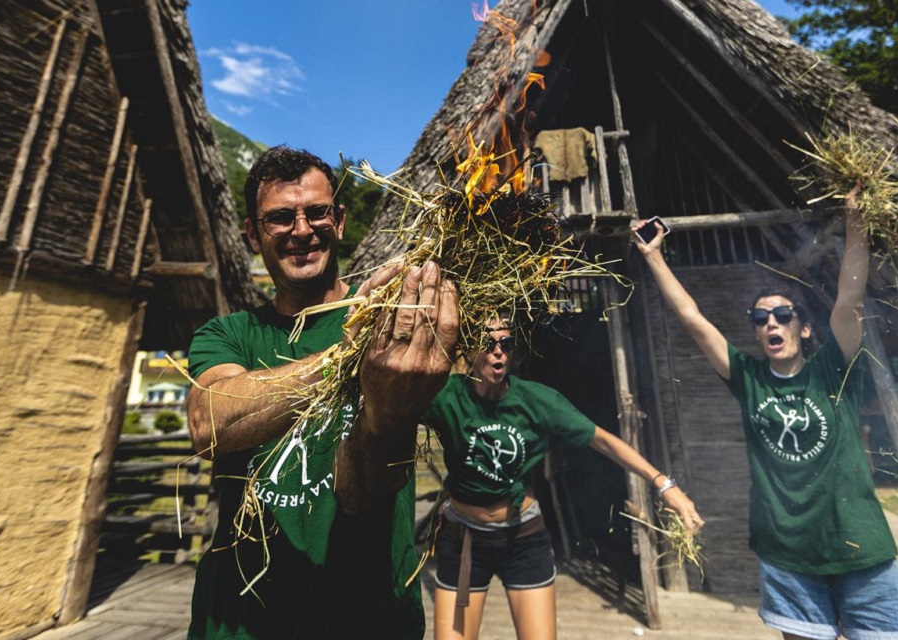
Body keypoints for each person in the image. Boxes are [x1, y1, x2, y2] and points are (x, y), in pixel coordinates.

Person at [185, 146, 459, 639]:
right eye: (280, 218)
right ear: (251, 234)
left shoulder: (395, 326)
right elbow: (209, 424)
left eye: (316, 212)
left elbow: (363, 492)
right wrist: (344, 356)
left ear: (339, 218)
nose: (302, 230)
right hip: (242, 623)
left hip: (367, 618)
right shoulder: (230, 334)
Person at [633, 187, 898, 640]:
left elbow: (849, 299)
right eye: (760, 318)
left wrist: (855, 221)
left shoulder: (833, 371)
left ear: (804, 328)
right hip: (788, 554)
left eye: (783, 315)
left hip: (860, 547)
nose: (771, 323)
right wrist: (653, 257)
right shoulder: (749, 378)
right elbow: (693, 320)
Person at [424, 322, 703, 640]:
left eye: (507, 343)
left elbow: (602, 440)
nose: (498, 351)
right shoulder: (445, 396)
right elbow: (391, 412)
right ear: (469, 349)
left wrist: (665, 485)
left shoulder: (537, 401)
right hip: (464, 540)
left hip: (523, 539)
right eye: (487, 343)